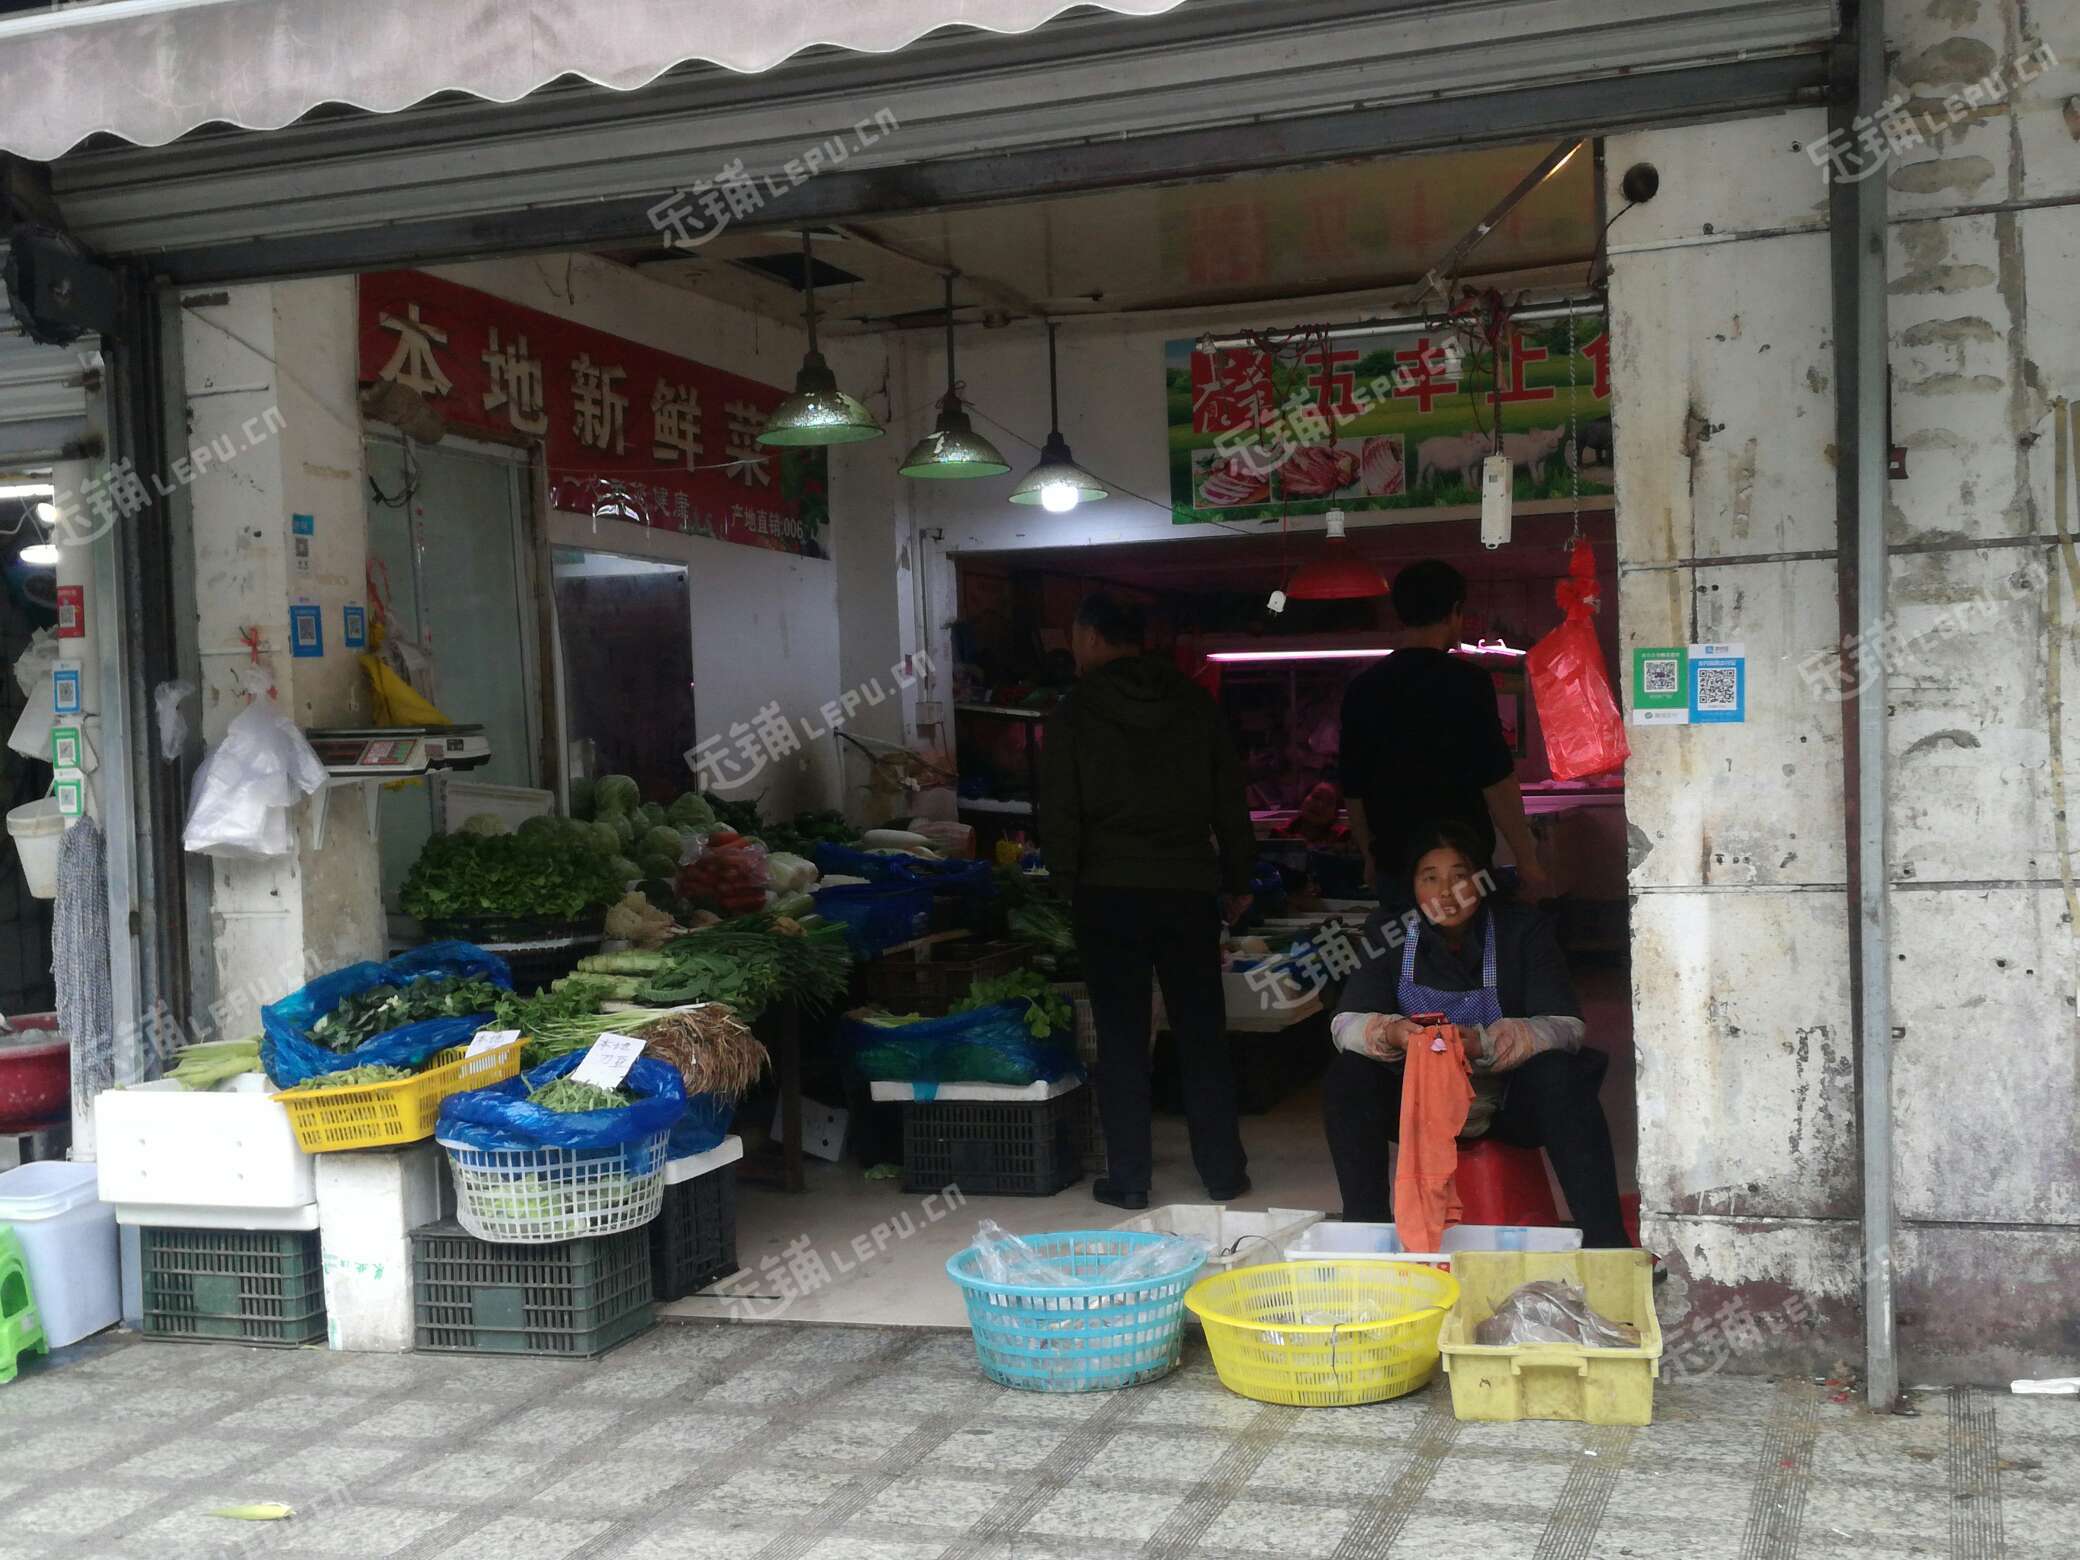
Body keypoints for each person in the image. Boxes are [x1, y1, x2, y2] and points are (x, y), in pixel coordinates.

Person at [1039, 592, 1254, 1211]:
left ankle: (1129, 1179)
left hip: (1107, 892)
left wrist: (1066, 880)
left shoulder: (1075, 710)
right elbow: (1229, 800)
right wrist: (1238, 879)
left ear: (1090, 637)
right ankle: (1223, 1172)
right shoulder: (1193, 702)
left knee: (1122, 1035)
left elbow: (1059, 808)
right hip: (1186, 888)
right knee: (1202, 1032)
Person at [1321, 822, 1631, 1248]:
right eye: (1430, 877)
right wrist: (1391, 1032)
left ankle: (1607, 1245)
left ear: (1480, 880)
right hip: (1418, 1110)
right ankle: (1366, 1234)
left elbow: (1566, 1025)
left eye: (1459, 876)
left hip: (1508, 1102)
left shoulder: (1523, 929)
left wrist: (1484, 1045)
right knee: (1347, 1077)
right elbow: (1345, 1023)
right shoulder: (1387, 934)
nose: (1446, 892)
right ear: (1412, 884)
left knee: (1561, 1076)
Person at [1339, 559, 1553, 902]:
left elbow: (1354, 788)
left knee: (1409, 952)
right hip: (1461, 862)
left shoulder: (1363, 688)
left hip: (1396, 864)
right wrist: (1527, 859)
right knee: (1465, 953)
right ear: (1455, 611)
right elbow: (1496, 780)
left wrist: (1369, 857)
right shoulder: (1468, 683)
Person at [1278, 780, 1350, 847]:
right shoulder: (1280, 834)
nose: (1320, 805)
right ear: (1303, 800)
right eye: (1316, 797)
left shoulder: (1343, 838)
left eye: (1329, 802)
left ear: (1335, 814)